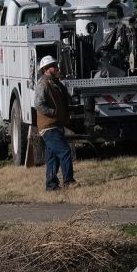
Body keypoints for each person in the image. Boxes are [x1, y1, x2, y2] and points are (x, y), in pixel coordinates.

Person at [34, 55, 76, 191]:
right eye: (53, 66)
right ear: (46, 69)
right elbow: (38, 104)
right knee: (64, 151)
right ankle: (69, 181)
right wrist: (53, 112)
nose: (56, 68)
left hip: (55, 125)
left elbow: (67, 99)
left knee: (53, 158)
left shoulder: (56, 83)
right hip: (48, 127)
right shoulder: (42, 84)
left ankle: (51, 186)